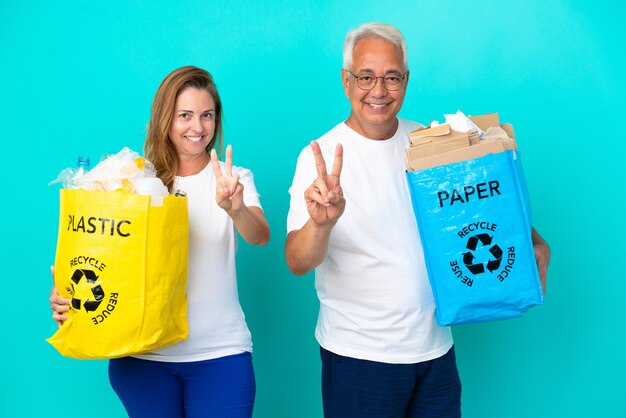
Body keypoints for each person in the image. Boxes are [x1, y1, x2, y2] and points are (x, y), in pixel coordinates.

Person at [285, 22, 550, 418]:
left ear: (406, 80)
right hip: (360, 357)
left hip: (435, 349)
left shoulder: (428, 144)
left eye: (391, 77)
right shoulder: (319, 157)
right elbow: (296, 261)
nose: (379, 90)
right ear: (346, 80)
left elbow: (477, 210)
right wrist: (321, 223)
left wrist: (530, 240)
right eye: (366, 77)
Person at [49, 65, 270, 417]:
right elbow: (100, 256)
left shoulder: (233, 178)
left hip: (220, 353)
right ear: (165, 118)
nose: (197, 128)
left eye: (206, 116)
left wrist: (237, 207)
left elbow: (259, 235)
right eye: (185, 115)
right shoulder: (135, 183)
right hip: (143, 357)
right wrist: (66, 292)